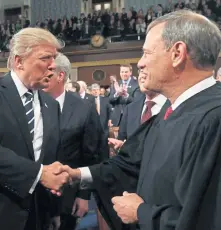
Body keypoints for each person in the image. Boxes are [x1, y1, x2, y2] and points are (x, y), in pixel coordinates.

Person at [57, 10, 221, 230]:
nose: (141, 64)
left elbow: (208, 218)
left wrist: (141, 213)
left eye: (146, 53)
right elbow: (130, 165)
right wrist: (77, 174)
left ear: (177, 53)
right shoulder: (171, 111)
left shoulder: (213, 119)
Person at [0, 28, 70, 230]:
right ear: (19, 61)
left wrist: (55, 210)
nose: (53, 66)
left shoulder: (51, 105)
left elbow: (52, 159)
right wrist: (38, 174)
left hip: (39, 216)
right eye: (45, 58)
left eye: (54, 58)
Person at [43, 53, 106, 230]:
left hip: (67, 197)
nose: (42, 75)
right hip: (35, 195)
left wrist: (84, 195)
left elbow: (92, 155)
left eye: (48, 71)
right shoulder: (33, 102)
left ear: (60, 75)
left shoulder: (83, 108)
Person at [108, 74, 166, 149]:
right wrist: (122, 146)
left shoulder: (175, 106)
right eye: (140, 70)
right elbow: (121, 141)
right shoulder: (130, 109)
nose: (142, 75)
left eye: (147, 70)